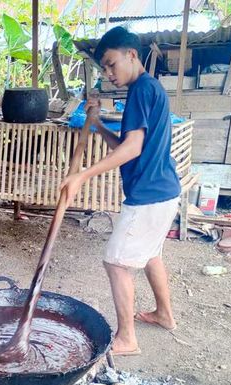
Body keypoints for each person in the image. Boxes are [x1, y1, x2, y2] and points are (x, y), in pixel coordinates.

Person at [60, 27, 181, 356]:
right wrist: (98, 126)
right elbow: (129, 146)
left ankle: (127, 338)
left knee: (116, 262)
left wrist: (82, 175)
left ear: (131, 55)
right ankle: (165, 314)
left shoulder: (142, 90)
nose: (109, 73)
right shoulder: (146, 89)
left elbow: (132, 148)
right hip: (164, 190)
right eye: (104, 68)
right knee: (151, 253)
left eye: (112, 64)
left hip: (149, 195)